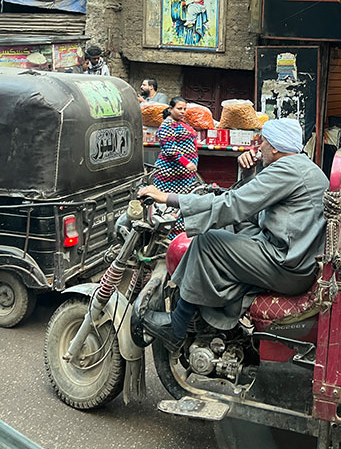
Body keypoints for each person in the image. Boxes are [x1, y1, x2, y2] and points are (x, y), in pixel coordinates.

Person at [137, 118, 329, 348]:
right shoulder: (301, 166)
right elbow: (251, 202)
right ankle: (209, 309)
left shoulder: (286, 170)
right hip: (292, 256)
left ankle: (177, 326)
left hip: (287, 266)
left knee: (208, 242)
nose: (259, 149)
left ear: (275, 147)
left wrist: (169, 198)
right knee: (227, 225)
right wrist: (248, 173)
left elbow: (233, 204)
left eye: (263, 143)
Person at [152, 97, 198, 237]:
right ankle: (168, 239)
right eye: (179, 108)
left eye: (184, 109)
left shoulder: (181, 123)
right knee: (169, 206)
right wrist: (186, 162)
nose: (183, 111)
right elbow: (169, 149)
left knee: (182, 205)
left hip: (183, 176)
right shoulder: (167, 125)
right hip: (170, 174)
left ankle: (181, 236)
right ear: (170, 109)